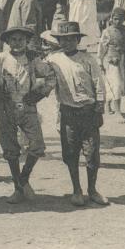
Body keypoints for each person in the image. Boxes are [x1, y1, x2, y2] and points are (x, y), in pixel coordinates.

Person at [0, 26, 55, 203]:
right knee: (10, 148)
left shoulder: (33, 59)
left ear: (27, 41)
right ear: (7, 42)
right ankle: (17, 187)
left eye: (21, 39)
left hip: (27, 106)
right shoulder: (1, 58)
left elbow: (51, 76)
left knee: (37, 145)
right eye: (13, 39)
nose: (17, 43)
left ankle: (24, 178)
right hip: (6, 107)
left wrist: (40, 93)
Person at [46, 20, 108, 207]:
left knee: (91, 154)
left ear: (77, 40)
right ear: (58, 41)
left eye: (71, 39)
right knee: (70, 153)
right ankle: (76, 190)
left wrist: (99, 106)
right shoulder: (53, 59)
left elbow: (99, 83)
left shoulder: (88, 59)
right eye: (63, 40)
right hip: (68, 113)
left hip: (88, 111)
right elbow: (45, 78)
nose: (67, 43)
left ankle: (92, 189)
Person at [98, 8, 125, 123]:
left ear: (124, 19)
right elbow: (101, 48)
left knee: (118, 85)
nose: (117, 22)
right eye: (115, 19)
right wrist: (100, 62)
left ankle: (108, 106)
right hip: (112, 62)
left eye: (120, 20)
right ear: (111, 19)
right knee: (115, 84)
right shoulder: (107, 32)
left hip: (124, 62)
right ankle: (118, 112)